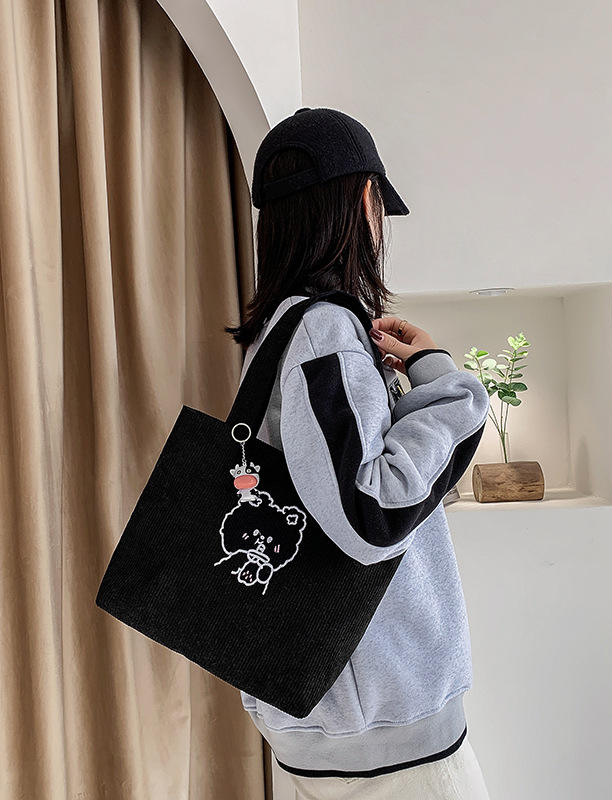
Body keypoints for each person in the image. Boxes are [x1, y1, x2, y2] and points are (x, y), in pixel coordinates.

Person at [224, 107, 492, 799]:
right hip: (387, 736)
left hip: (326, 722)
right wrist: (446, 384)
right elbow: (371, 513)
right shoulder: (323, 331)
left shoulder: (280, 332)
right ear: (364, 199)